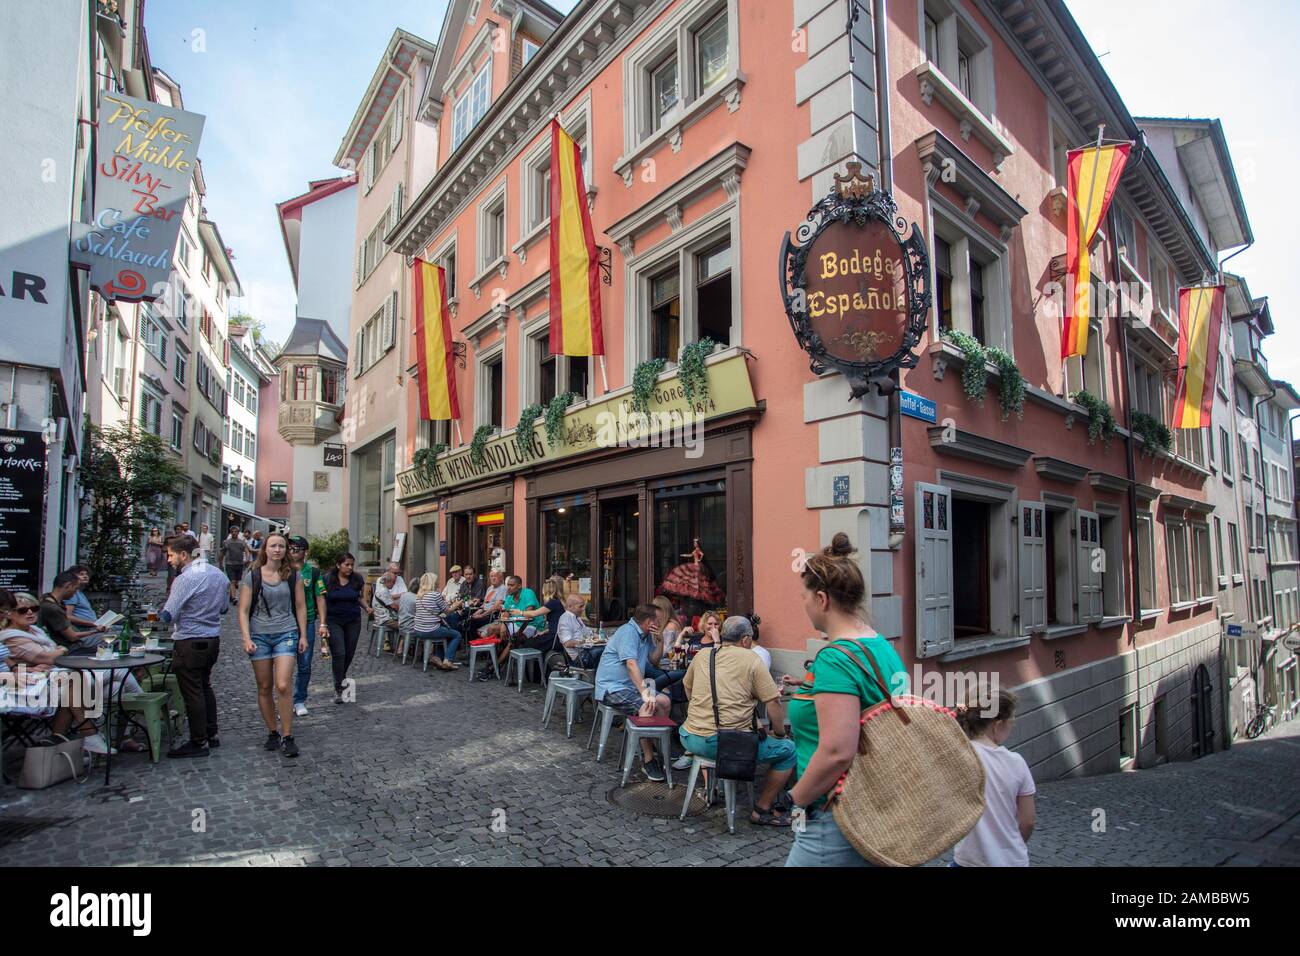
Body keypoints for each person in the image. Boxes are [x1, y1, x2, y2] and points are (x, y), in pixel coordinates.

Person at [785, 533, 909, 867]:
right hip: (878, 803)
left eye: (804, 597)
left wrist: (797, 798)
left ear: (822, 599)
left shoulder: (836, 657)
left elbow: (838, 751)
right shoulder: (881, 646)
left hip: (835, 812)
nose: (804, 605)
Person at [678, 616, 796, 825]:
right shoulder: (751, 659)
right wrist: (778, 733)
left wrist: (699, 711)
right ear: (745, 639)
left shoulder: (704, 654)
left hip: (689, 736)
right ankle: (762, 809)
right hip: (722, 743)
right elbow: (773, 703)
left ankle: (711, 790)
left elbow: (687, 686)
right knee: (788, 750)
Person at [160, 533, 231, 757]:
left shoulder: (185, 578)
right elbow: (224, 609)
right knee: (204, 686)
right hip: (212, 639)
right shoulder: (219, 575)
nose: (169, 560)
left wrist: (156, 615)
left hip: (189, 640)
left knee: (192, 692)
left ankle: (199, 741)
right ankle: (212, 734)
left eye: (171, 555)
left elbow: (168, 615)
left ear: (184, 554)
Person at [238, 532, 307, 758]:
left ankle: (288, 736)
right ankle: (272, 731)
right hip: (259, 635)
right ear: (264, 549)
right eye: (273, 546)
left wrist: (303, 635)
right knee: (265, 687)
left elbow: (300, 606)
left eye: (281, 546)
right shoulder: (253, 576)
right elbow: (243, 610)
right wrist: (246, 637)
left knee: (284, 685)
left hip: (286, 633)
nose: (277, 550)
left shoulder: (292, 576)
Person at [952, 689, 1036, 867]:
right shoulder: (1017, 763)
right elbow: (1028, 820)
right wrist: (1012, 845)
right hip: (1012, 860)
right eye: (1010, 723)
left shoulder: (960, 756)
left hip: (969, 860)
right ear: (997, 725)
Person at [593, 604, 672, 782]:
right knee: (647, 705)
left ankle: (660, 746)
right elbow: (631, 665)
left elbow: (653, 660)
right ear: (649, 621)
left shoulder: (646, 635)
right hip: (612, 687)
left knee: (664, 702)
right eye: (658, 621)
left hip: (630, 687)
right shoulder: (628, 632)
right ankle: (648, 759)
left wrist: (659, 640)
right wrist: (644, 692)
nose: (661, 623)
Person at [288, 536, 329, 717]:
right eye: (290, 548)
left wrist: (323, 622)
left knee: (304, 665)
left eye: (296, 548)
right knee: (285, 665)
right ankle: (285, 701)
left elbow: (320, 596)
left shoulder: (313, 573)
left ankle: (299, 700)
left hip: (308, 621)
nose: (292, 551)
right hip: (286, 623)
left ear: (306, 552)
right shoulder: (282, 570)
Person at [323, 552, 371, 703]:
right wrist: (323, 622)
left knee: (349, 652)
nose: (350, 568)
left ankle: (341, 675)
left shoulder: (357, 579)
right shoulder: (328, 579)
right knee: (339, 653)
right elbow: (322, 600)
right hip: (333, 620)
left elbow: (359, 597)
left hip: (353, 620)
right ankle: (338, 687)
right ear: (338, 565)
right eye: (347, 565)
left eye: (352, 565)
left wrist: (367, 608)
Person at [39, 572, 103, 650]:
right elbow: (73, 637)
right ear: (68, 586)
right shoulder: (52, 608)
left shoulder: (48, 599)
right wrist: (96, 631)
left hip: (72, 641)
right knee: (115, 640)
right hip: (72, 646)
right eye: (75, 588)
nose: (75, 592)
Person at [412, 573, 462, 671]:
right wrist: (456, 605)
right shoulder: (435, 595)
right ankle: (448, 660)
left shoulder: (418, 596)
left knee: (444, 632)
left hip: (418, 629)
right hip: (430, 630)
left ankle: (437, 658)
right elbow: (447, 611)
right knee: (457, 635)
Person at [60, 566, 113, 635]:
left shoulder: (80, 593)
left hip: (93, 627)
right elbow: (68, 616)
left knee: (122, 629)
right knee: (121, 633)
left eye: (86, 574)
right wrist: (94, 623)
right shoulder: (72, 594)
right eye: (81, 574)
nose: (85, 576)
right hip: (84, 629)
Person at [373, 564, 407, 652]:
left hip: (385, 616)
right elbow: (394, 606)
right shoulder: (383, 591)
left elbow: (404, 594)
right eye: (392, 582)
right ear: (387, 581)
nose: (393, 583)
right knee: (406, 626)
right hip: (384, 619)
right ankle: (400, 649)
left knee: (403, 621)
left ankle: (396, 646)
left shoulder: (384, 588)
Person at [470, 569, 507, 634]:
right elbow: (484, 604)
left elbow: (496, 607)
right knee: (467, 620)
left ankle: (474, 643)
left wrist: (481, 615)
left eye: (495, 576)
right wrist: (475, 614)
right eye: (491, 576)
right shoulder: (490, 588)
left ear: (500, 578)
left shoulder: (503, 588)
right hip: (485, 613)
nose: (493, 578)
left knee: (472, 623)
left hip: (492, 615)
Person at [555, 592, 588, 663]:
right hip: (579, 657)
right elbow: (568, 643)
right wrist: (586, 642)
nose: (583, 609)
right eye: (581, 606)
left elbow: (589, 634)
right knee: (604, 653)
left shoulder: (577, 618)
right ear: (570, 606)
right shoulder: (565, 619)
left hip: (586, 652)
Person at [222, 527, 250, 604]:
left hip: (239, 564)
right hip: (229, 564)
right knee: (232, 581)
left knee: (237, 582)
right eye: (232, 531)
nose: (234, 533)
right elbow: (222, 553)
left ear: (238, 533)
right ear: (230, 533)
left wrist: (247, 559)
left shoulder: (242, 542)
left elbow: (247, 551)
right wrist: (220, 563)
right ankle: (234, 598)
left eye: (236, 531)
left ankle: (232, 595)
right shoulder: (226, 542)